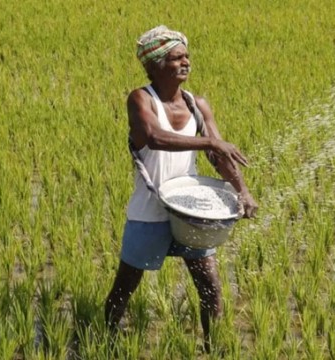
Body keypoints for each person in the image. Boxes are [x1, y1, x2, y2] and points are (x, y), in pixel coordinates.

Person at [104, 25, 258, 352]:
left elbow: (218, 156)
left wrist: (242, 191)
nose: (185, 62)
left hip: (190, 209)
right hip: (149, 211)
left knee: (210, 287)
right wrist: (210, 140)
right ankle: (104, 341)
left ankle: (213, 348)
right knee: (125, 287)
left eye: (186, 56)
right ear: (155, 64)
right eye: (176, 58)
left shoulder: (197, 104)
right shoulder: (140, 99)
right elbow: (155, 138)